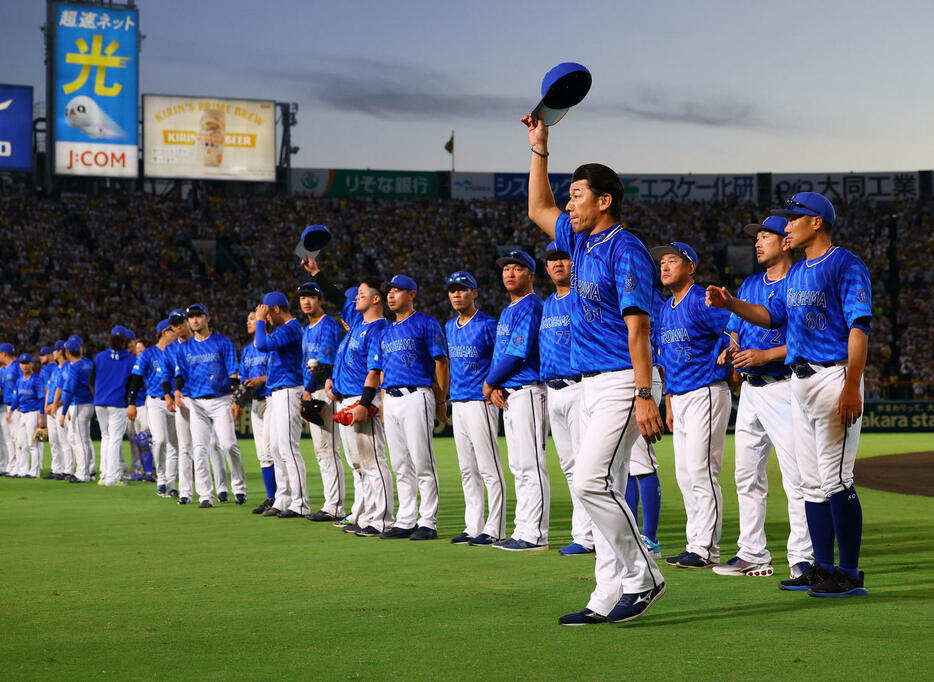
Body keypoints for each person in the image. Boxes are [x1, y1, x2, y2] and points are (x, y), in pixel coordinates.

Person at [523, 113, 666, 625]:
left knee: (589, 483)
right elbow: (539, 205)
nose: (569, 204)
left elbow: (639, 329)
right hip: (591, 382)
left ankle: (644, 576)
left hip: (623, 380)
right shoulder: (580, 240)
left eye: (578, 195)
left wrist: (647, 393)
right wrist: (540, 145)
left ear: (604, 200)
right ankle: (606, 595)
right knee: (600, 483)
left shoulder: (626, 250)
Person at [707, 191, 871, 597]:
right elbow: (771, 316)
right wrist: (733, 303)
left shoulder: (845, 263)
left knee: (836, 478)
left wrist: (852, 384)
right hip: (800, 382)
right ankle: (822, 567)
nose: (788, 225)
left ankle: (849, 573)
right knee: (812, 482)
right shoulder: (797, 274)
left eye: (794, 218)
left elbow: (860, 327)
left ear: (817, 222)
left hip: (834, 376)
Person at [712, 216, 813, 579]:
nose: (757, 243)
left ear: (786, 242)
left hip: (787, 385)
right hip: (752, 391)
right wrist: (733, 349)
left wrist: (765, 355)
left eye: (764, 236)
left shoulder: (802, 280)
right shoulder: (751, 283)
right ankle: (752, 553)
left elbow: (809, 341)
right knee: (746, 475)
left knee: (797, 476)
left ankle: (803, 557)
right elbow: (735, 329)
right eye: (756, 237)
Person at [652, 241, 732, 569]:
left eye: (673, 260)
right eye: (662, 262)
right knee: (685, 474)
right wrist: (669, 403)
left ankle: (706, 548)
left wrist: (732, 354)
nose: (665, 266)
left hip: (707, 390)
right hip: (680, 395)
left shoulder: (702, 298)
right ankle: (694, 542)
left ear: (690, 267)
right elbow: (666, 361)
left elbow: (736, 323)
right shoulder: (665, 308)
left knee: (701, 470)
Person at [310, 263, 395, 538]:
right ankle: (366, 515)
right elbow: (335, 296)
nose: (355, 296)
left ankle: (382, 520)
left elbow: (374, 371)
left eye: (361, 293)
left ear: (375, 299)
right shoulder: (358, 323)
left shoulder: (379, 328)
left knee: (373, 462)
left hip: (362, 400)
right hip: (346, 398)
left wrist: (365, 403)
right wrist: (316, 273)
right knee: (358, 464)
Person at [371, 274, 448, 541]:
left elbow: (441, 362)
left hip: (418, 394)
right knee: (400, 463)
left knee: (422, 460)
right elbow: (381, 374)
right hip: (391, 398)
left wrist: (440, 400)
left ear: (412, 294)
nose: (391, 295)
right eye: (388, 291)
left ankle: (428, 521)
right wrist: (382, 406)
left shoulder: (426, 322)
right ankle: (405, 519)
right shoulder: (386, 330)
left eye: (397, 290)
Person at [482, 250, 548, 552]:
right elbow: (500, 354)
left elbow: (517, 354)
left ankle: (534, 534)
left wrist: (490, 382)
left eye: (517, 268)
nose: (509, 273)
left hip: (529, 390)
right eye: (506, 268)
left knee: (531, 464)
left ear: (531, 275)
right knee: (519, 465)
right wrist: (495, 386)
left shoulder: (531, 305)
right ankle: (522, 528)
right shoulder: (509, 309)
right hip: (511, 393)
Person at [443, 270, 506, 546]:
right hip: (458, 401)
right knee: (467, 468)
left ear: (475, 293)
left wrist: (495, 387)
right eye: (453, 290)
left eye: (463, 289)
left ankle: (496, 528)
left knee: (488, 467)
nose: (457, 294)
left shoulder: (488, 324)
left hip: (481, 402)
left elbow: (501, 358)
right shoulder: (448, 326)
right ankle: (473, 526)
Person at [539, 241, 592, 556]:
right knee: (569, 466)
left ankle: (589, 536)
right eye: (552, 259)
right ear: (546, 267)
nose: (558, 263)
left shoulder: (583, 296)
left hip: (579, 385)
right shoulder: (548, 303)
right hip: (553, 390)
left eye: (564, 257)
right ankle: (582, 534)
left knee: (585, 465)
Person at [174, 303, 246, 508]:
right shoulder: (185, 347)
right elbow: (180, 374)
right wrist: (177, 390)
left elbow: (233, 373)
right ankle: (205, 495)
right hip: (196, 402)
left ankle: (239, 487)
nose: (194, 320)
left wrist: (235, 399)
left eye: (198, 316)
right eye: (191, 317)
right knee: (199, 449)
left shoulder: (222, 342)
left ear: (208, 318)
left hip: (221, 399)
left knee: (229, 444)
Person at [254, 292, 308, 518]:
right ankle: (283, 498)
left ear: (275, 309)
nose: (265, 317)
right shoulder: (282, 329)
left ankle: (300, 503)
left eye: (267, 312)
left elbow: (261, 345)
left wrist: (258, 320)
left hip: (289, 389)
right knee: (276, 448)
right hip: (277, 392)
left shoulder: (291, 327)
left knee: (288, 448)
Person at [297, 281, 345, 523]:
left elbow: (323, 364)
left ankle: (335, 506)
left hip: (324, 389)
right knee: (322, 450)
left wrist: (306, 391)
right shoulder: (308, 327)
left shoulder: (327, 325)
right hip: (313, 390)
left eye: (311, 297)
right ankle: (331, 503)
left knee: (328, 449)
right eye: (302, 297)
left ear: (321, 300)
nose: (306, 301)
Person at [624, 286, 667, 559]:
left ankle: (650, 539)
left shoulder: (648, 296)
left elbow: (655, 336)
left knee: (640, 460)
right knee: (624, 464)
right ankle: (632, 534)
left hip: (642, 375)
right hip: (619, 374)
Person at [128, 320, 178, 497]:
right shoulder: (148, 354)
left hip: (175, 401)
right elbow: (136, 379)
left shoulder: (176, 351)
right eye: (174, 329)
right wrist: (132, 403)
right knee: (160, 439)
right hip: (156, 401)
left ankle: (170, 484)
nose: (178, 331)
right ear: (165, 332)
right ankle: (161, 478)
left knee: (175, 445)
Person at [236, 311, 274, 514]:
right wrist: (238, 399)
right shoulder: (247, 350)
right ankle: (272, 498)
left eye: (252, 318)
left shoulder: (271, 344)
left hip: (271, 400)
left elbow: (279, 373)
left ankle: (282, 497)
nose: (247, 321)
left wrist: (261, 380)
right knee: (263, 454)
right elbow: (243, 378)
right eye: (249, 318)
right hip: (256, 404)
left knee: (272, 450)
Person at [93, 327, 135, 487]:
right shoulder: (130, 360)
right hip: (117, 403)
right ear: (125, 341)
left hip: (99, 402)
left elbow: (92, 380)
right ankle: (113, 476)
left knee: (106, 437)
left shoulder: (100, 357)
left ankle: (104, 475)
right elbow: (133, 385)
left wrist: (98, 396)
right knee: (115, 439)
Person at [162, 309, 191, 500]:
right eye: (174, 324)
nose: (178, 326)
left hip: (204, 397)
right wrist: (168, 395)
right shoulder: (171, 350)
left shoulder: (200, 343)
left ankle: (221, 488)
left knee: (214, 444)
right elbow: (166, 375)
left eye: (181, 322)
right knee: (183, 446)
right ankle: (185, 490)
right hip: (181, 397)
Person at [59, 336, 96, 483]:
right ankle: (88, 471)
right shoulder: (88, 363)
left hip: (80, 404)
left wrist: (63, 412)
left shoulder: (74, 367)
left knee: (80, 440)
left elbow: (70, 391)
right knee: (84, 440)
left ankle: (83, 473)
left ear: (67, 352)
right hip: (89, 403)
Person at [9, 354, 46, 478]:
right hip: (22, 414)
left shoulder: (37, 379)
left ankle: (34, 472)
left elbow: (41, 399)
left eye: (27, 363)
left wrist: (41, 417)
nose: (24, 366)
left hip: (33, 413)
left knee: (33, 444)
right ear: (19, 365)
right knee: (21, 444)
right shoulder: (19, 380)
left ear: (32, 364)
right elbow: (16, 398)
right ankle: (23, 470)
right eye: (22, 363)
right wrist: (11, 411)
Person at [45, 341, 74, 480]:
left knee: (65, 440)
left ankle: (68, 470)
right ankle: (57, 469)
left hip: (61, 406)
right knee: (54, 441)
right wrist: (47, 405)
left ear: (61, 351)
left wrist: (56, 405)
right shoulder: (56, 369)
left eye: (55, 350)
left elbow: (66, 390)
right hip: (52, 407)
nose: (53, 353)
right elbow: (50, 388)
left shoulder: (68, 367)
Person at [0, 343, 21, 476]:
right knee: (8, 437)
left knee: (16, 438)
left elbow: (22, 383)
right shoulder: (4, 369)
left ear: (4, 354)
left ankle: (18, 466)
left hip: (16, 406)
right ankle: (10, 466)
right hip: (6, 405)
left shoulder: (17, 366)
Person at [37, 347, 57, 479]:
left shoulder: (46, 370)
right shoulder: (58, 367)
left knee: (59, 441)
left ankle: (60, 469)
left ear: (51, 355)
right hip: (54, 405)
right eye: (40, 355)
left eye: (44, 355)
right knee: (59, 441)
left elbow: (46, 390)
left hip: (53, 405)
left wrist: (43, 413)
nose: (41, 357)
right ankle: (58, 468)